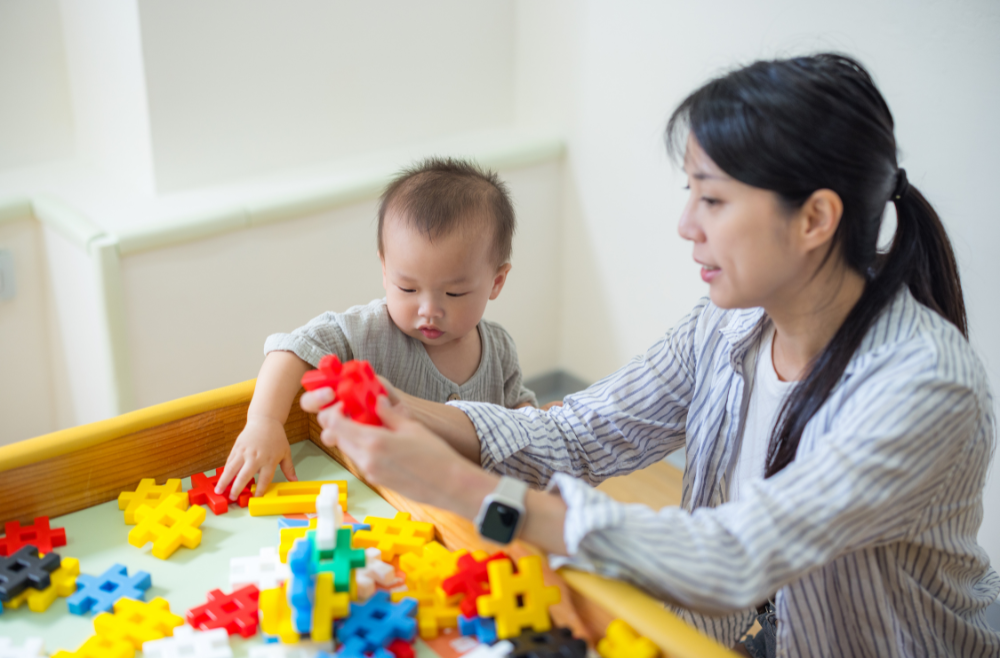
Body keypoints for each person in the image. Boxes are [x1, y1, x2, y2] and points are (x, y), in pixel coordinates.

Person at [300, 54, 1000, 657]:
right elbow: (582, 432)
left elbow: (737, 553)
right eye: (689, 192)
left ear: (815, 218)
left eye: (714, 199)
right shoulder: (729, 326)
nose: (685, 226)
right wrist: (408, 411)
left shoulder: (926, 389)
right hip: (732, 635)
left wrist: (459, 489)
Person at [216, 157, 539, 499]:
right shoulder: (370, 331)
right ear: (385, 270)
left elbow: (519, 412)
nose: (428, 310)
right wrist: (264, 421)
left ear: (496, 281)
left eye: (454, 293)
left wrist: (534, 424)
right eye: (408, 289)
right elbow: (293, 347)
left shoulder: (499, 348)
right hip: (387, 502)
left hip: (473, 505)